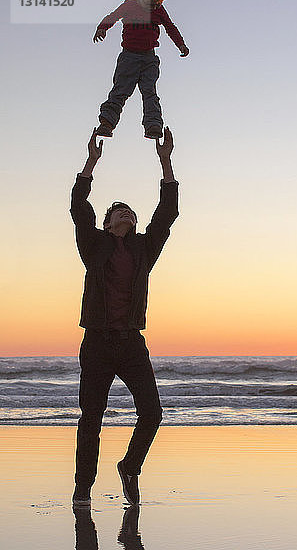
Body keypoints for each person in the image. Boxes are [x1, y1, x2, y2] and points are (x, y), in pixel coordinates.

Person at [70, 127, 179, 507]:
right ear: (108, 222)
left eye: (130, 211)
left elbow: (167, 214)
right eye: (119, 210)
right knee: (92, 419)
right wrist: (91, 163)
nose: (127, 213)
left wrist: (165, 161)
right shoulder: (94, 246)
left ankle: (129, 468)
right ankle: (83, 490)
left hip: (132, 342)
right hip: (97, 342)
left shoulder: (144, 248)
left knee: (152, 412)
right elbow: (78, 208)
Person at [93, 0, 189, 140]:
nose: (154, 5)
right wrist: (102, 27)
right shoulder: (129, 5)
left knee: (149, 92)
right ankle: (107, 123)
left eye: (158, 1)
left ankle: (153, 125)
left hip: (149, 59)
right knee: (120, 90)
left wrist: (181, 44)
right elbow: (113, 17)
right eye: (152, 0)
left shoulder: (159, 10)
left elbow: (170, 27)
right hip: (129, 57)